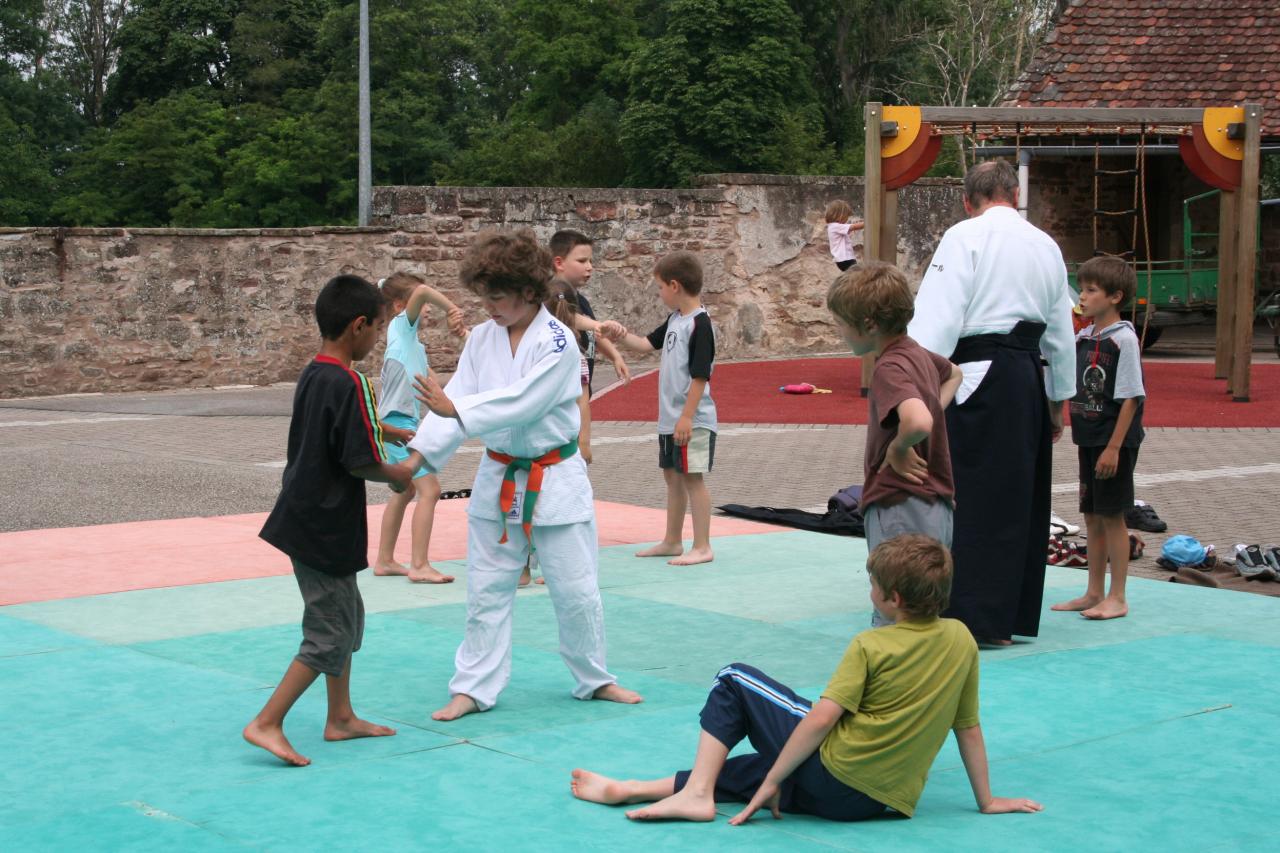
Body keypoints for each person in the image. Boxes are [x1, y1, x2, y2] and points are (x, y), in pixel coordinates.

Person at [569, 535, 1042, 824]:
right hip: (869, 803)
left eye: (873, 583)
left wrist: (777, 776)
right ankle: (633, 788)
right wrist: (987, 800)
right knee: (746, 772)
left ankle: (695, 794)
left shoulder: (870, 645)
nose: (870, 590)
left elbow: (820, 720)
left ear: (892, 598)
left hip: (836, 774)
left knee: (735, 680)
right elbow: (969, 727)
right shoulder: (960, 639)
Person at [405, 230, 642, 721]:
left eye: (498, 296)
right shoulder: (483, 340)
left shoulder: (560, 343)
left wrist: (457, 410)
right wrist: (416, 461)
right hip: (499, 476)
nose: (488, 306)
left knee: (576, 591)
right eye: (483, 295)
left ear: (530, 291)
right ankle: (472, 688)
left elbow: (522, 404)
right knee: (486, 590)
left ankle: (594, 678)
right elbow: (457, 395)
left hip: (554, 475)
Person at [245, 274, 414, 766]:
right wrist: (398, 475)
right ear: (358, 326)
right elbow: (358, 460)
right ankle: (266, 722)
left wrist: (381, 427)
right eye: (378, 330)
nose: (378, 339)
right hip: (323, 522)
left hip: (307, 514)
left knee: (345, 617)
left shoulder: (317, 372)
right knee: (330, 631)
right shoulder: (351, 380)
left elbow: (336, 426)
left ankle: (340, 717)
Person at [907, 159, 1077, 645]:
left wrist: (915, 388)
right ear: (1013, 194)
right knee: (1019, 497)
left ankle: (971, 616)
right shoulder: (1046, 244)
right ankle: (1009, 616)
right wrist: (1057, 400)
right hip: (1026, 376)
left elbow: (937, 319)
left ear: (969, 200)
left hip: (974, 377)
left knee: (972, 497)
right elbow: (1060, 332)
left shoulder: (964, 236)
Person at [827, 261, 963, 626]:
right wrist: (932, 410)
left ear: (868, 324)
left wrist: (899, 447)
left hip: (899, 502)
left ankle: (892, 678)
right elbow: (954, 374)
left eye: (841, 324)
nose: (840, 333)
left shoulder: (889, 367)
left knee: (894, 607)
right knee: (923, 611)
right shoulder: (916, 353)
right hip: (934, 503)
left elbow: (918, 421)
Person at [603, 251, 718, 566]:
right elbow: (644, 344)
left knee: (693, 478)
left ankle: (703, 545)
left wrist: (686, 417)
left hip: (692, 419)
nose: (659, 293)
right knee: (672, 477)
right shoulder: (675, 319)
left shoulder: (700, 324)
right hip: (670, 419)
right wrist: (619, 333)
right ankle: (672, 540)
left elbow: (700, 376)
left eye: (660, 287)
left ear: (675, 285)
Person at [1052, 257, 1145, 621]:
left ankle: (1117, 595)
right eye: (1083, 289)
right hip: (1088, 438)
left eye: (1092, 290)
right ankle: (1094, 591)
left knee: (1112, 516)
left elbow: (1131, 397)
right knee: (1091, 516)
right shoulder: (1083, 337)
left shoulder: (1123, 340)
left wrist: (1113, 447)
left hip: (1113, 441)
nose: (1084, 297)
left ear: (1115, 297)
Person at [371, 272, 465, 584]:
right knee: (430, 489)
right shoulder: (400, 327)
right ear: (400, 305)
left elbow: (435, 387)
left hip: (404, 424)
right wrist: (451, 308)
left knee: (407, 489)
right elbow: (424, 290)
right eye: (419, 304)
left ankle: (384, 560)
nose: (425, 307)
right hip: (396, 427)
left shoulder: (413, 345)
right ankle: (420, 565)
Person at [549, 230, 631, 391]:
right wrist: (596, 325)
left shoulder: (583, 302)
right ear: (559, 263)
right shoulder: (548, 299)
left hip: (583, 389)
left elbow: (594, 333)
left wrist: (615, 356)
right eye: (582, 261)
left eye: (590, 261)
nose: (589, 267)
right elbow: (570, 318)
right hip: (563, 393)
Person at [824, 200, 865, 271]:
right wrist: (868, 222)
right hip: (845, 259)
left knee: (853, 276)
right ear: (840, 216)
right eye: (846, 216)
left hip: (844, 259)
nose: (847, 218)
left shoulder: (833, 226)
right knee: (855, 276)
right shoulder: (835, 226)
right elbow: (854, 227)